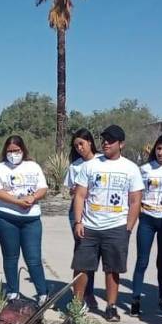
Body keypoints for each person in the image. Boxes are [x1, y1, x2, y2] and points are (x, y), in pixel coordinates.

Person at [71, 125, 144, 322]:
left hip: (116, 227)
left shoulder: (130, 168)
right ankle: (76, 305)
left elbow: (136, 200)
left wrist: (128, 226)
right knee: (81, 267)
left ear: (121, 144)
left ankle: (111, 307)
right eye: (103, 139)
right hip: (89, 226)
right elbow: (79, 195)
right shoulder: (91, 165)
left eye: (111, 140)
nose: (105, 143)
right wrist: (78, 221)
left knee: (113, 269)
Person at [0, 135, 50, 304]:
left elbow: (42, 187)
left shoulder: (33, 166)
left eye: (16, 151)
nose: (13, 154)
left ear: (23, 150)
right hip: (6, 219)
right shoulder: (0, 168)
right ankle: (13, 291)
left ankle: (42, 293)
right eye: (10, 151)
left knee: (33, 258)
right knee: (10, 256)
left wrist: (33, 198)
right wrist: (17, 201)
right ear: (5, 152)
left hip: (31, 220)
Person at [129, 133, 162, 316]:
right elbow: (136, 193)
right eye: (158, 148)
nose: (160, 152)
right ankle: (135, 299)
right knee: (142, 260)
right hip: (148, 219)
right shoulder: (144, 169)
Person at [64, 129, 99, 310]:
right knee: (83, 251)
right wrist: (76, 190)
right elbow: (71, 190)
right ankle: (81, 294)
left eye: (81, 144)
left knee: (93, 254)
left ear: (90, 143)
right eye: (76, 145)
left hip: (97, 212)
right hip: (78, 213)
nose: (79, 148)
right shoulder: (75, 166)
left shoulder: (102, 162)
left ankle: (89, 292)